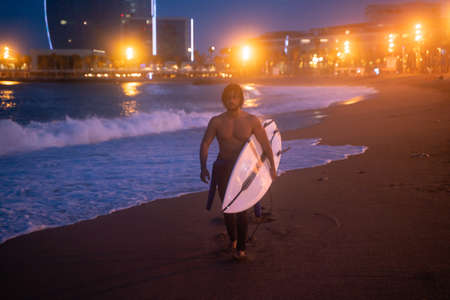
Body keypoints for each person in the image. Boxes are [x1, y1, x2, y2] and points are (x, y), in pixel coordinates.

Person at [199, 83, 277, 260]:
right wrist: (203, 166)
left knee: (241, 209)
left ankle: (241, 248)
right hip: (224, 168)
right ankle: (233, 239)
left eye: (234, 97)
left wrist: (271, 167)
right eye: (228, 97)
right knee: (227, 208)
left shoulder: (251, 120)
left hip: (243, 170)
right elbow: (205, 144)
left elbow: (266, 145)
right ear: (223, 100)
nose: (231, 100)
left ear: (240, 99)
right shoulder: (216, 121)